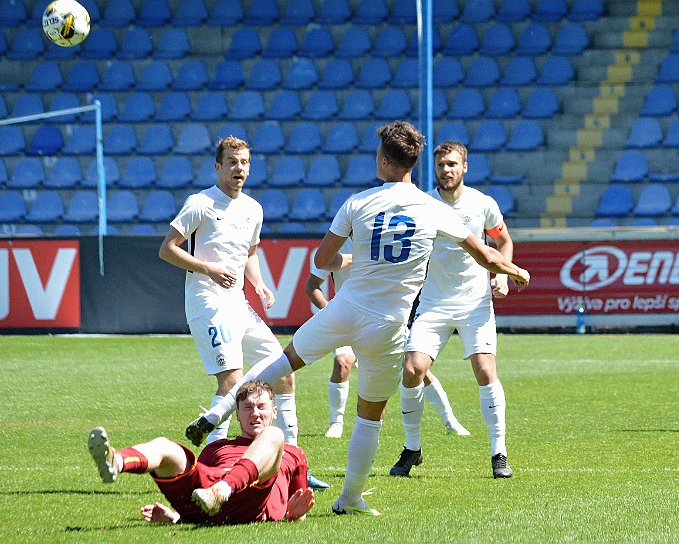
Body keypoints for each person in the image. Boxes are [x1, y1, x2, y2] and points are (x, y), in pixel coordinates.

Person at [186, 121, 530, 516]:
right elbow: (486, 256)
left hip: (345, 309)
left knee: (283, 362)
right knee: (370, 417)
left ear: (383, 160)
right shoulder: (434, 209)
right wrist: (515, 272)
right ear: (415, 163)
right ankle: (349, 498)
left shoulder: (358, 203)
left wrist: (344, 260)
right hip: (387, 327)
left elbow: (321, 261)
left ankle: (218, 410)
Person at [159, 136, 328, 489]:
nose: (240, 168)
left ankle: (295, 466)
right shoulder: (200, 204)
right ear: (218, 166)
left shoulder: (253, 208)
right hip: (207, 302)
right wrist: (208, 269)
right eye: (233, 162)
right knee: (232, 382)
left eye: (245, 162)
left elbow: (249, 253)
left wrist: (261, 285)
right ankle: (208, 468)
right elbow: (167, 250)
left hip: (239, 303)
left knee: (283, 373)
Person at [389, 141, 515, 480]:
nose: (446, 169)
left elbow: (502, 241)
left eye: (453, 164)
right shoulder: (424, 202)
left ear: (464, 167)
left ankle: (499, 452)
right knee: (413, 368)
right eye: (442, 164)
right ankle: (412, 448)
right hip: (433, 302)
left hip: (475, 303)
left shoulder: (482, 204)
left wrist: (503, 273)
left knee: (485, 369)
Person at [87, 380, 315, 525]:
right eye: (247, 408)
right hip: (211, 494)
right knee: (166, 446)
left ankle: (223, 489)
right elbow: (196, 488)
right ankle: (116, 461)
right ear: (237, 415)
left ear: (274, 411)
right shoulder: (217, 447)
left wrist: (294, 515)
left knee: (274, 436)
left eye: (261, 407)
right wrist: (176, 518)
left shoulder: (293, 454)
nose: (255, 413)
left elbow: (300, 505)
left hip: (252, 499)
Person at [305, 240, 469, 439]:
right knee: (342, 363)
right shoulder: (335, 243)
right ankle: (336, 423)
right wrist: (331, 310)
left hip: (383, 318)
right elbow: (312, 285)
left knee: (417, 369)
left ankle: (450, 421)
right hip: (348, 318)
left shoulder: (383, 239)